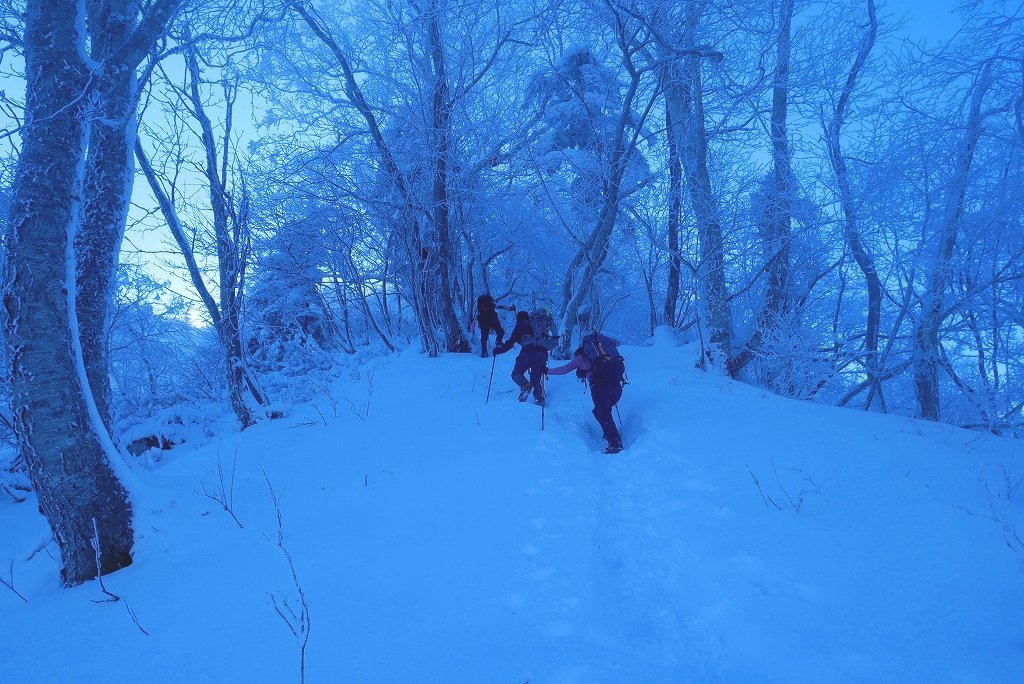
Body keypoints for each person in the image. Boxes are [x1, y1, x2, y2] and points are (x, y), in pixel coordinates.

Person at [547, 340, 625, 454]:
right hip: (617, 387)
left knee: (603, 413)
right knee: (598, 412)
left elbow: (563, 370)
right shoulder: (607, 357)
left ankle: (616, 444)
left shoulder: (581, 357)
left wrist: (546, 371)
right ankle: (609, 434)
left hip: (599, 388)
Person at [493, 310, 549, 405]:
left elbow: (510, 342)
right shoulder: (538, 325)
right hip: (542, 354)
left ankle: (525, 385)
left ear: (518, 318)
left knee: (516, 373)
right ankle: (539, 399)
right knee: (535, 378)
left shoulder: (520, 325)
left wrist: (498, 350)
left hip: (527, 353)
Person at [476, 293, 513, 358]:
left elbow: (477, 314)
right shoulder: (491, 302)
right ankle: (498, 341)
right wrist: (511, 308)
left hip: (483, 320)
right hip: (493, 319)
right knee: (500, 331)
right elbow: (501, 306)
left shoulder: (480, 305)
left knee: (484, 338)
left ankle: (484, 353)